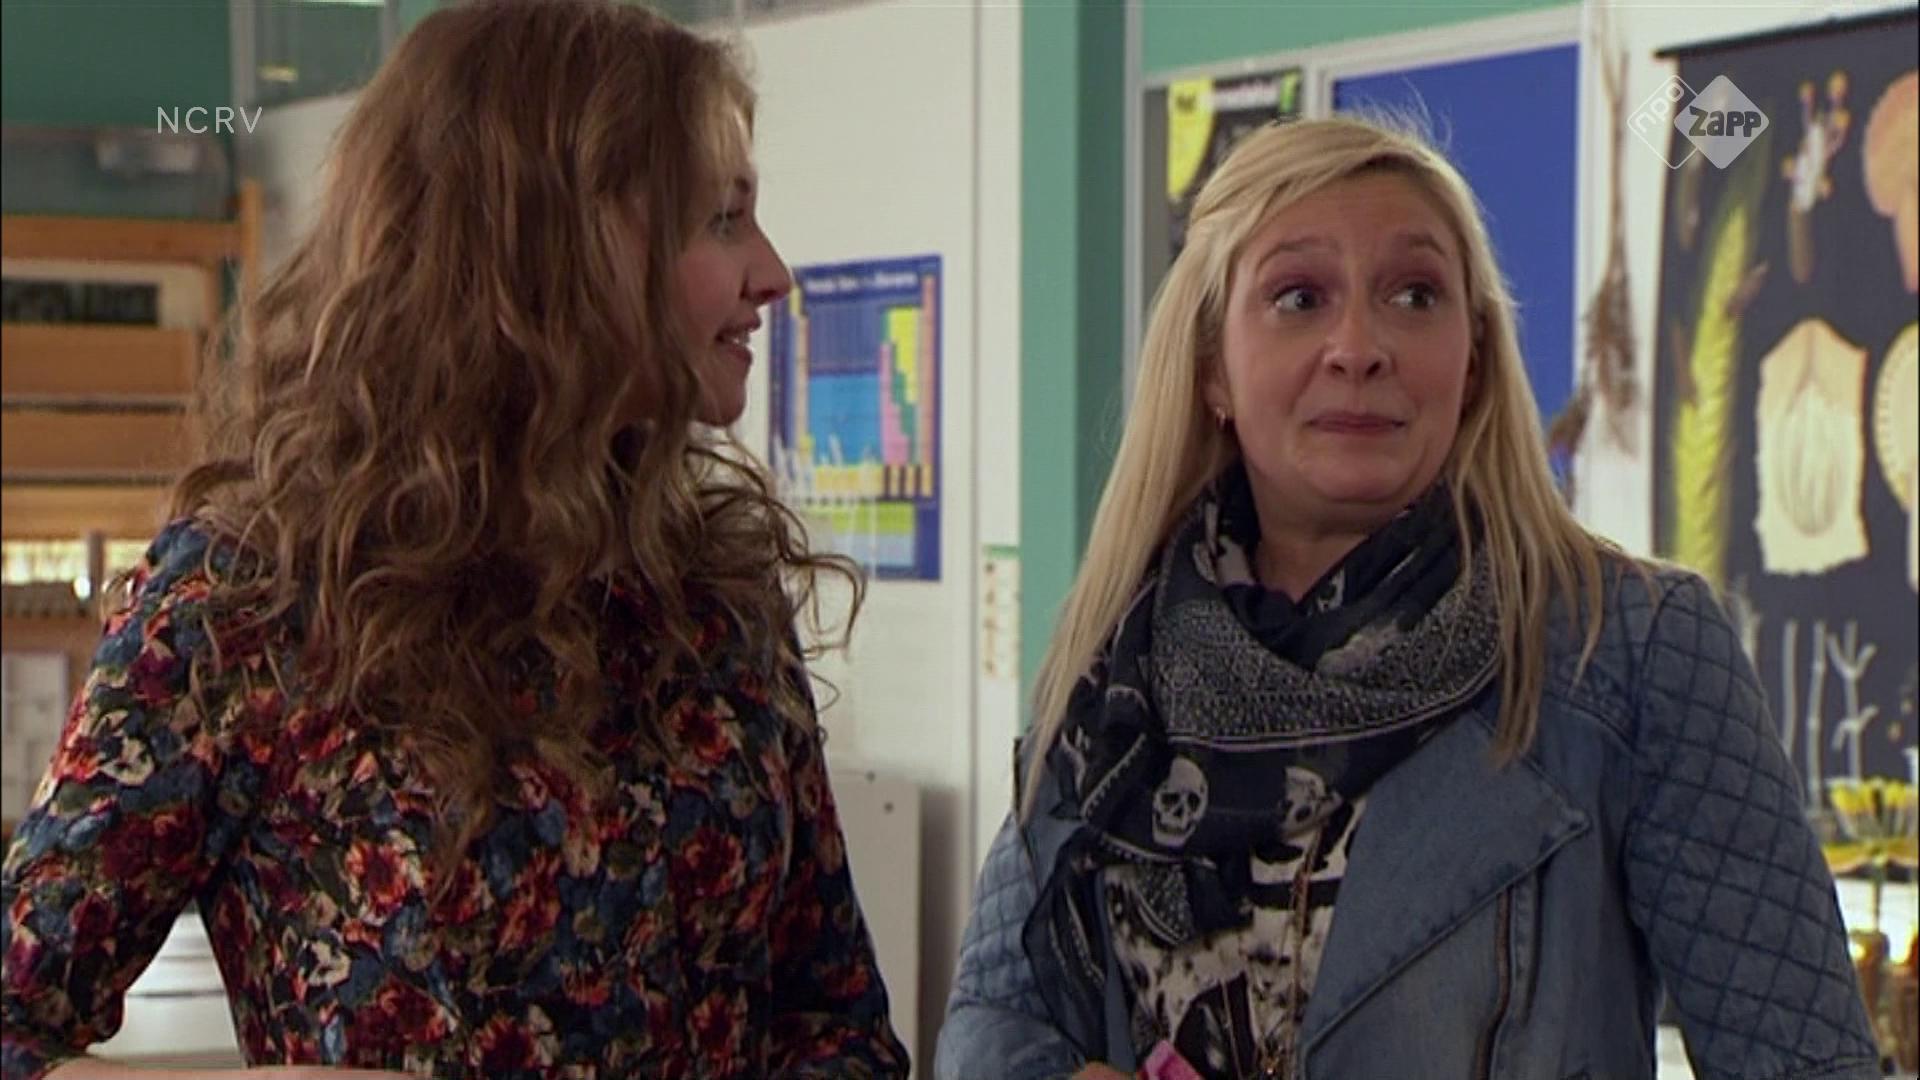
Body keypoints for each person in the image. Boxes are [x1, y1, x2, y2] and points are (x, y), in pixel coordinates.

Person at [0, 2, 910, 1078]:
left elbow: (835, 1023)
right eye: (723, 219)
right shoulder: (250, 598)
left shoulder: (713, 593)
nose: (772, 273)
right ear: (555, 245)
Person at [936, 116, 1878, 1080]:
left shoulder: (1629, 647)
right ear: (1213, 363)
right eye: (1299, 298)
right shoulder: (1124, 661)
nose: (1358, 346)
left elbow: (1808, 1065)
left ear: (1473, 359)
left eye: (1415, 295)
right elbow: (990, 1022)